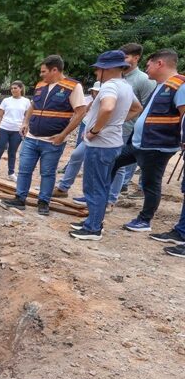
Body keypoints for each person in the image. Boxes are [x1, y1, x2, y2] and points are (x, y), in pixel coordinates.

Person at [68, 51, 143, 241]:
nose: (96, 73)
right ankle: (93, 221)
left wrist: (95, 130)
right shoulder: (125, 86)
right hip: (112, 142)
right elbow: (137, 108)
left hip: (101, 144)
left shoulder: (110, 86)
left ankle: (93, 228)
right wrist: (116, 122)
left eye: (98, 69)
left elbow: (108, 107)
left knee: (94, 186)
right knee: (101, 185)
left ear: (107, 69)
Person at [109, 49, 185, 232]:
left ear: (160, 63)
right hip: (140, 143)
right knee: (112, 161)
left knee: (150, 183)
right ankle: (103, 198)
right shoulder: (160, 85)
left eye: (148, 65)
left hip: (157, 146)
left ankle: (144, 220)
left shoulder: (179, 85)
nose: (146, 68)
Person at [1, 55, 87, 215]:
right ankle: (20, 198)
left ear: (54, 70)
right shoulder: (41, 85)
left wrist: (63, 135)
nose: (41, 75)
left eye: (43, 71)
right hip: (32, 137)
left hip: (53, 140)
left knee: (47, 173)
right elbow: (33, 105)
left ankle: (43, 202)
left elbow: (81, 112)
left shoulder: (73, 87)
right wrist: (25, 122)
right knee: (24, 170)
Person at [105, 43, 158, 203]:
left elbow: (146, 107)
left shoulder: (144, 80)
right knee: (110, 162)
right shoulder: (118, 76)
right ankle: (103, 195)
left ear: (136, 58)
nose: (122, 60)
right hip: (110, 127)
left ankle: (111, 198)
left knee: (118, 163)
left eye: (126, 57)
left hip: (128, 128)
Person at [52, 82, 101, 199]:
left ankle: (106, 197)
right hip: (90, 132)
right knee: (76, 155)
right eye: (94, 91)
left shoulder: (109, 101)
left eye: (98, 92)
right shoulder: (91, 101)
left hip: (102, 135)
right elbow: (85, 115)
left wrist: (94, 131)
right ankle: (63, 187)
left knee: (99, 164)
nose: (95, 94)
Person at [0, 81, 31, 180]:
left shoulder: (26, 101)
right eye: (12, 88)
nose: (13, 90)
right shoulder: (6, 100)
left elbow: (27, 116)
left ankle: (11, 173)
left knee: (12, 152)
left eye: (15, 88)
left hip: (17, 130)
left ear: (20, 89)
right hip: (4, 128)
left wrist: (25, 128)